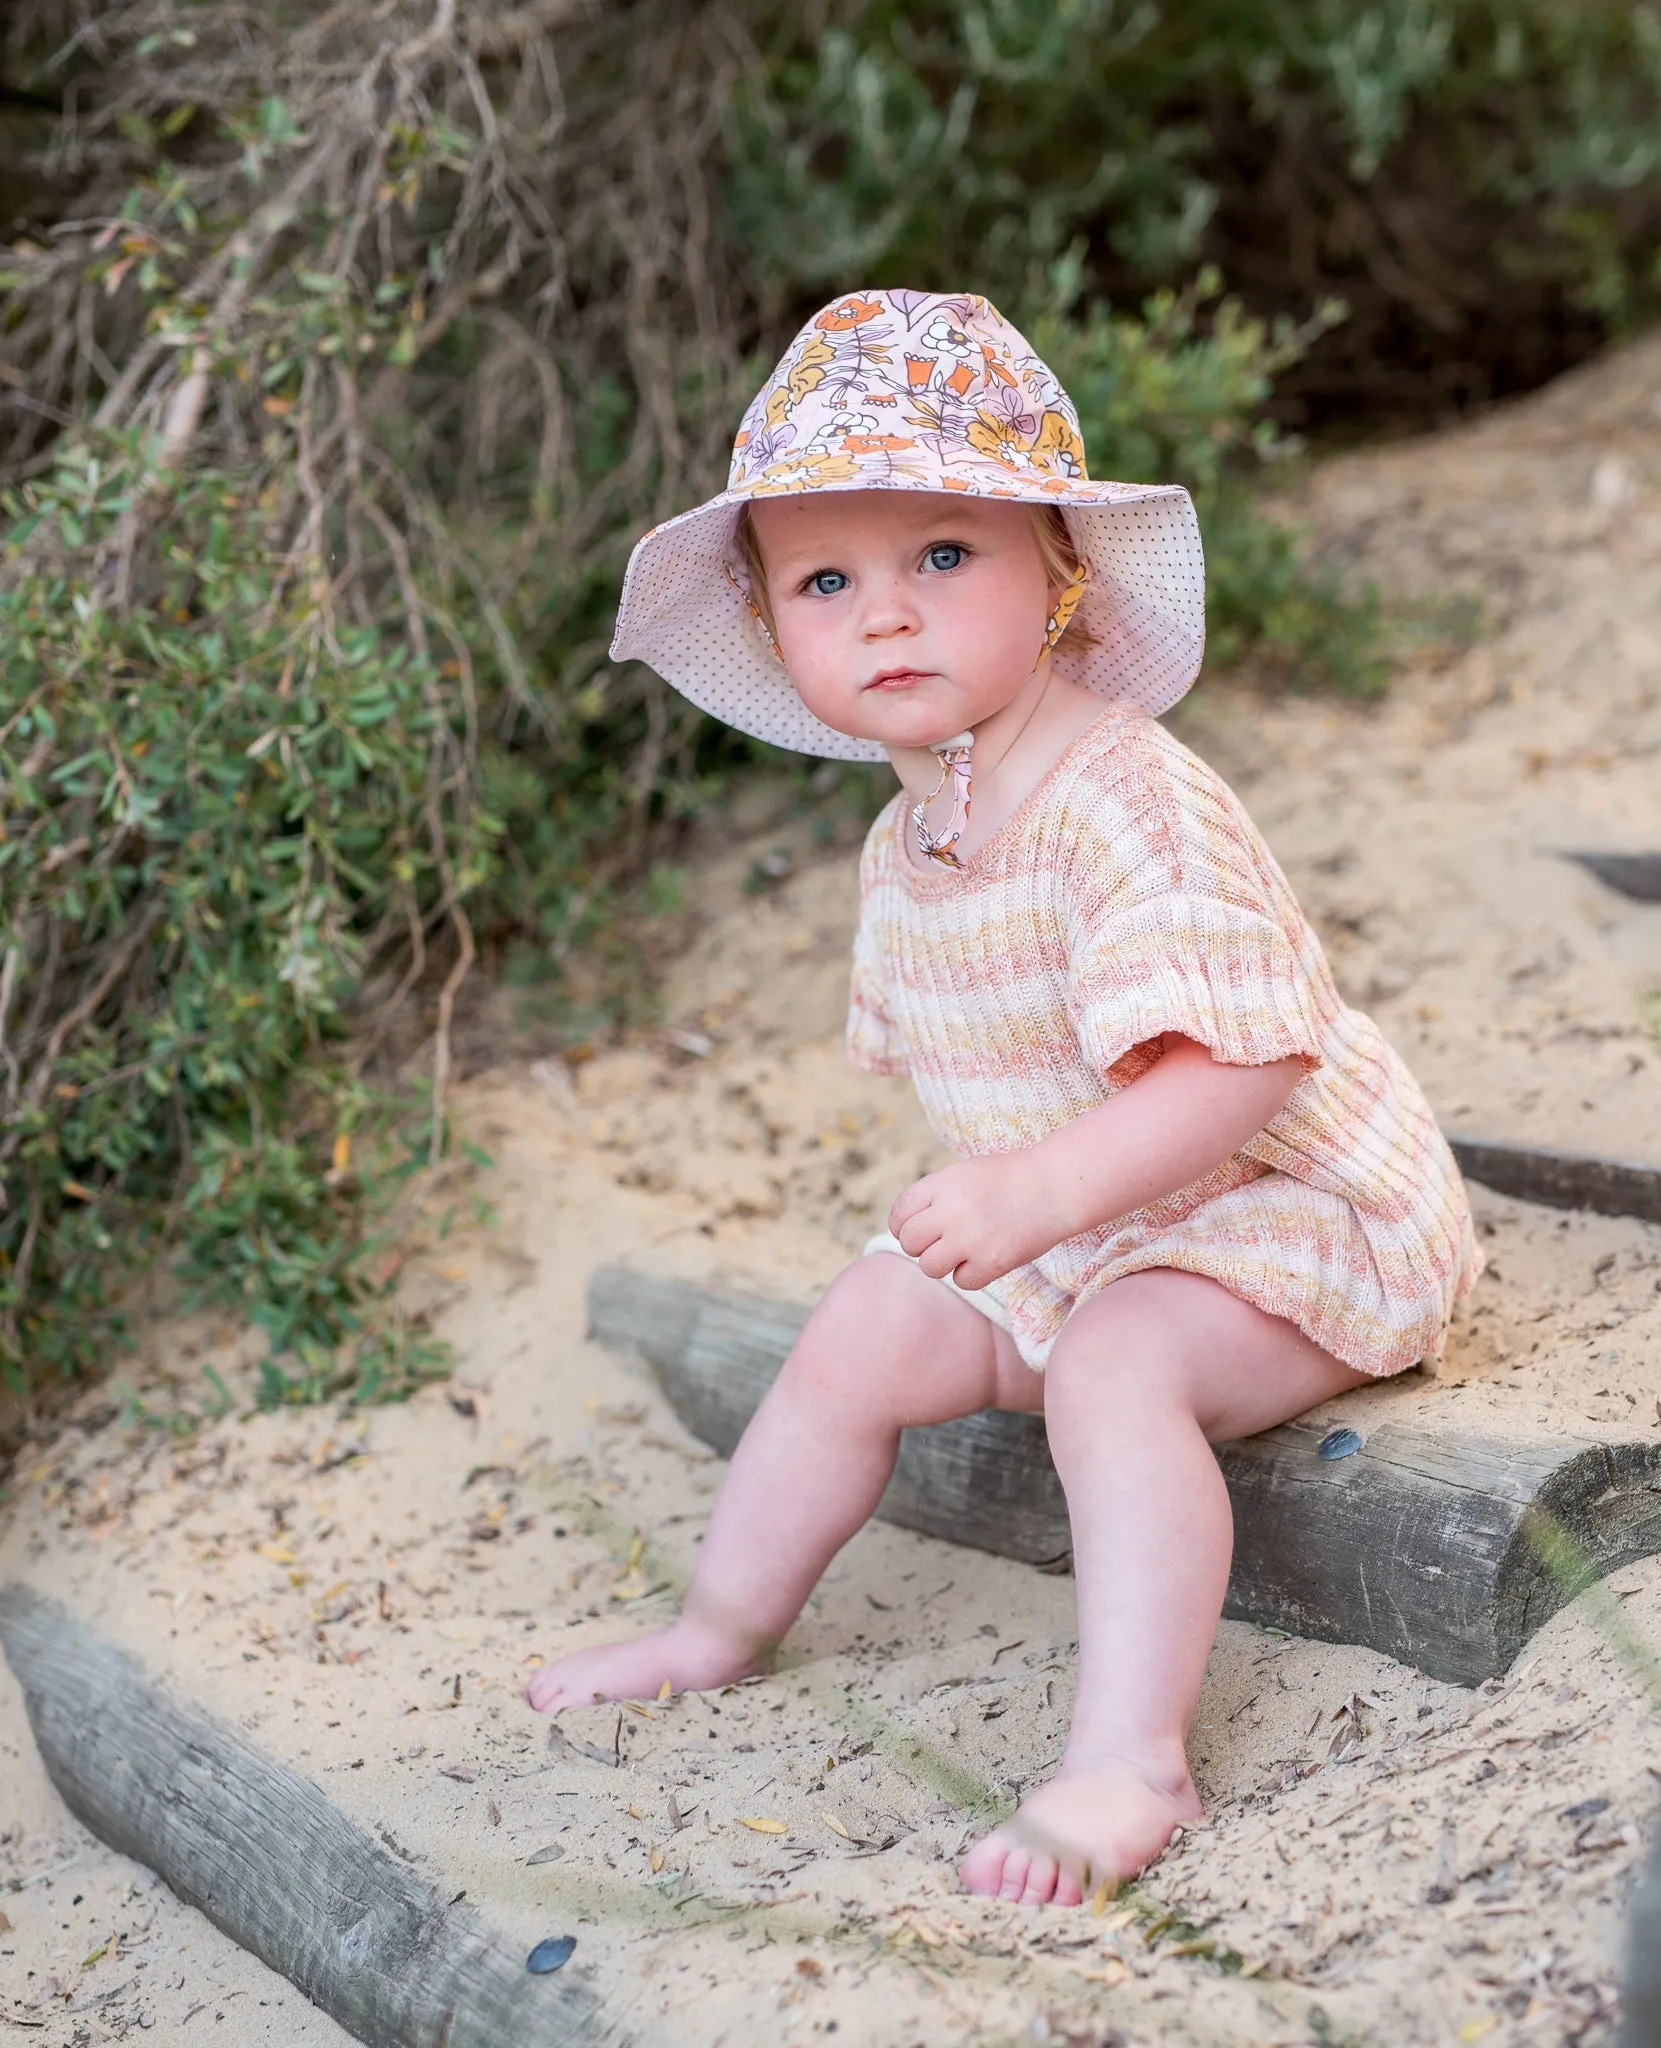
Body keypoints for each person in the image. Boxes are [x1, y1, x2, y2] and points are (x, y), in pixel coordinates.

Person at [527, 289, 1480, 1907]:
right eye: (829, 581)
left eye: (944, 555)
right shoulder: (903, 848)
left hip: (1287, 1215)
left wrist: (1033, 1200)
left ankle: (1130, 1760)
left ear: (1059, 580)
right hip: (1103, 1229)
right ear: (774, 633)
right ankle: (718, 1626)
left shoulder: (1125, 799)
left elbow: (1251, 1068)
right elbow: (999, 1093)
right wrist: (1022, 1212)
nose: (886, 616)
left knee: (1112, 1365)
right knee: (856, 1326)